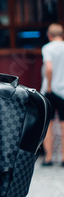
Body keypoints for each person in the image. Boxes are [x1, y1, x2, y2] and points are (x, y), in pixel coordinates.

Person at [41, 23, 64, 166]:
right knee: (63, 124)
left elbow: (48, 67)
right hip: (63, 91)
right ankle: (63, 157)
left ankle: (48, 157)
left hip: (50, 90)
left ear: (49, 35)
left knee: (47, 125)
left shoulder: (47, 48)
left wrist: (48, 85)